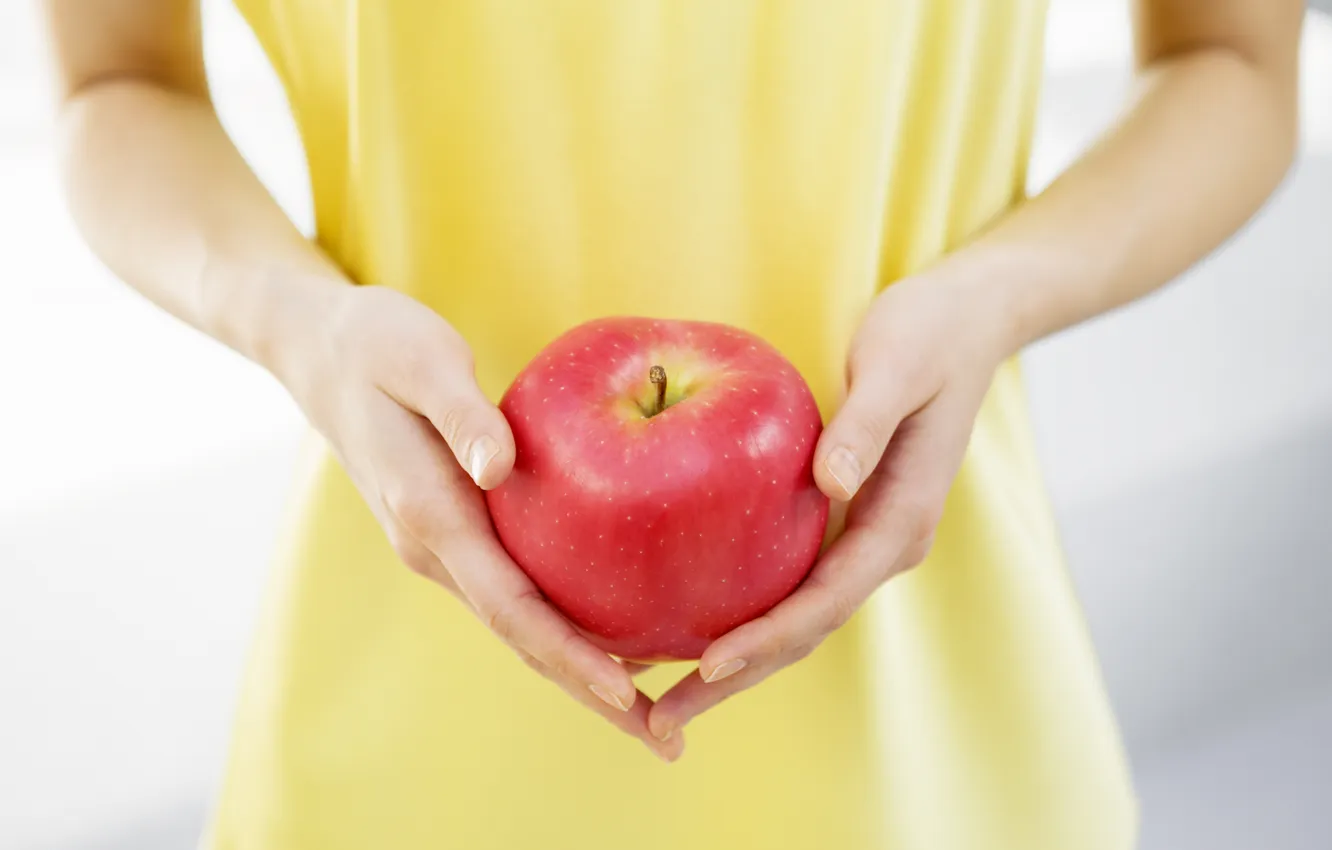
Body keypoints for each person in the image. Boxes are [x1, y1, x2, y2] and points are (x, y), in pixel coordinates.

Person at [42, 1, 1301, 847]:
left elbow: (1233, 63)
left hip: (925, 733)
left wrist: (999, 294)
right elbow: (114, 81)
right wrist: (292, 319)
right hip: (412, 721)